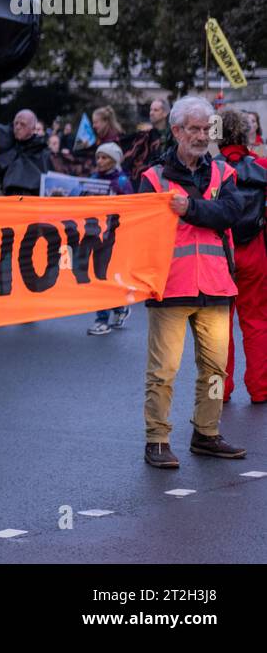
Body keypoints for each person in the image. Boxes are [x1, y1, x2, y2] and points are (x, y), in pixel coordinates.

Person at [136, 96, 248, 468]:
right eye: (194, 129)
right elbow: (139, 233)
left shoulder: (222, 174)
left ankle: (207, 433)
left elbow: (233, 213)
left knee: (216, 370)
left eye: (206, 129)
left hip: (215, 285)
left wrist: (192, 210)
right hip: (170, 286)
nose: (202, 136)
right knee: (163, 372)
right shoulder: (153, 178)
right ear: (177, 131)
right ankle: (157, 439)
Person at [215, 109, 267, 404]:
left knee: (219, 325)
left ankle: (220, 389)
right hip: (255, 250)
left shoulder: (211, 168)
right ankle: (260, 389)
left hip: (221, 252)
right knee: (258, 321)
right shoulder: (261, 166)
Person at [86, 142, 134, 336]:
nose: (100, 161)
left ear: (114, 160)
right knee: (101, 274)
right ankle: (120, 308)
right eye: (98, 157)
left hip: (114, 235)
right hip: (94, 233)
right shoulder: (92, 179)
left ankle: (102, 320)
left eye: (104, 157)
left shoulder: (122, 181)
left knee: (102, 275)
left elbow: (131, 208)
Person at [0, 109, 51, 195]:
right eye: (16, 123)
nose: (18, 127)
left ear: (33, 129)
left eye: (22, 124)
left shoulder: (42, 152)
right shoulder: (8, 145)